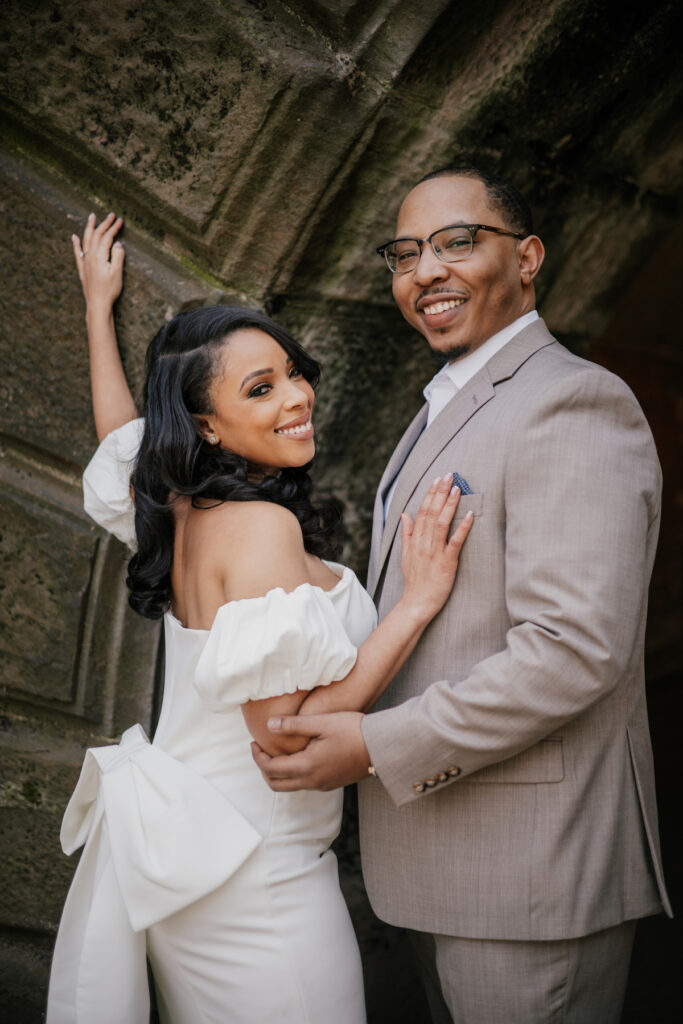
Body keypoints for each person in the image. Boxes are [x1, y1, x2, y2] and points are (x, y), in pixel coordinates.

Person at [251, 167, 672, 1023]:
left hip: (530, 883)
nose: (424, 271)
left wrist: (372, 744)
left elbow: (571, 652)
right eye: (404, 254)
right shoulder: (450, 400)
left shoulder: (574, 402)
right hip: (441, 869)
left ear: (527, 258)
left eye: (456, 242)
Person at [46, 213, 473, 1024]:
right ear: (205, 424)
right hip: (260, 882)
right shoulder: (260, 528)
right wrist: (413, 604)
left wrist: (99, 310)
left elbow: (118, 443)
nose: (297, 397)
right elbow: (283, 737)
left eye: (290, 372)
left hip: (189, 866)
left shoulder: (178, 505)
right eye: (261, 389)